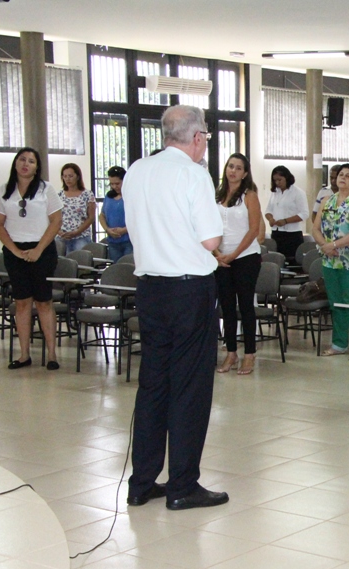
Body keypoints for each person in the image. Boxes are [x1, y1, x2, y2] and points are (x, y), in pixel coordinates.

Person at [122, 104, 229, 511]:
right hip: (188, 291)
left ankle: (142, 482)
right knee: (189, 388)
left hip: (149, 289)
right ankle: (183, 484)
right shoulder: (193, 173)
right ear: (198, 137)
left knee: (153, 384)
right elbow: (211, 242)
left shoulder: (137, 170)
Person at [0, 147, 62, 371]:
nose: (26, 164)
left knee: (43, 302)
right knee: (21, 302)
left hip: (42, 249)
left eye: (31, 161)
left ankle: (51, 354)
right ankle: (24, 355)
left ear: (36, 167)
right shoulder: (5, 190)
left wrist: (38, 250)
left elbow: (56, 221)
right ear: (15, 163)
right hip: (15, 252)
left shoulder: (45, 189)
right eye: (22, 159)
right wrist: (13, 250)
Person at [313, 163, 349, 359]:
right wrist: (325, 246)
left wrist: (334, 245)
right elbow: (315, 229)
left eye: (348, 175)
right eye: (340, 175)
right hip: (329, 260)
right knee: (335, 302)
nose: (342, 178)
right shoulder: (327, 200)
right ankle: (339, 343)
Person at [214, 153, 263, 376]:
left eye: (238, 168)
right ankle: (231, 352)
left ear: (244, 173)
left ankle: (250, 354)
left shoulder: (249, 196)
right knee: (226, 306)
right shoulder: (217, 194)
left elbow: (254, 230)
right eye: (230, 166)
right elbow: (208, 226)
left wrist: (233, 255)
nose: (233, 170)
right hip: (220, 258)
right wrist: (216, 253)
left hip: (245, 257)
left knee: (245, 306)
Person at [264, 166, 308, 265]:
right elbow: (268, 210)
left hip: (292, 234)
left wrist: (285, 221)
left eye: (280, 180)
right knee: (277, 262)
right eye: (275, 180)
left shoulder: (298, 192)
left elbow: (304, 214)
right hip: (276, 233)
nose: (277, 183)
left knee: (291, 262)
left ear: (287, 178)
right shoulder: (275, 193)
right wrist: (270, 218)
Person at [57, 163, 95, 254]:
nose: (67, 179)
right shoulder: (59, 195)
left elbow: (91, 217)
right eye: (65, 176)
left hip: (81, 236)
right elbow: (53, 217)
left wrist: (77, 231)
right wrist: (59, 232)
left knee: (81, 263)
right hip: (62, 236)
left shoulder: (87, 194)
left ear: (77, 177)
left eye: (70, 176)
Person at [99, 166, 131, 262]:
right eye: (111, 184)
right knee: (116, 268)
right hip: (113, 241)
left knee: (128, 267)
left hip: (129, 240)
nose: (114, 187)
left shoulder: (131, 196)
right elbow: (102, 215)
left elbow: (138, 218)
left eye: (117, 183)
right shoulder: (109, 197)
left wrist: (124, 230)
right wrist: (107, 229)